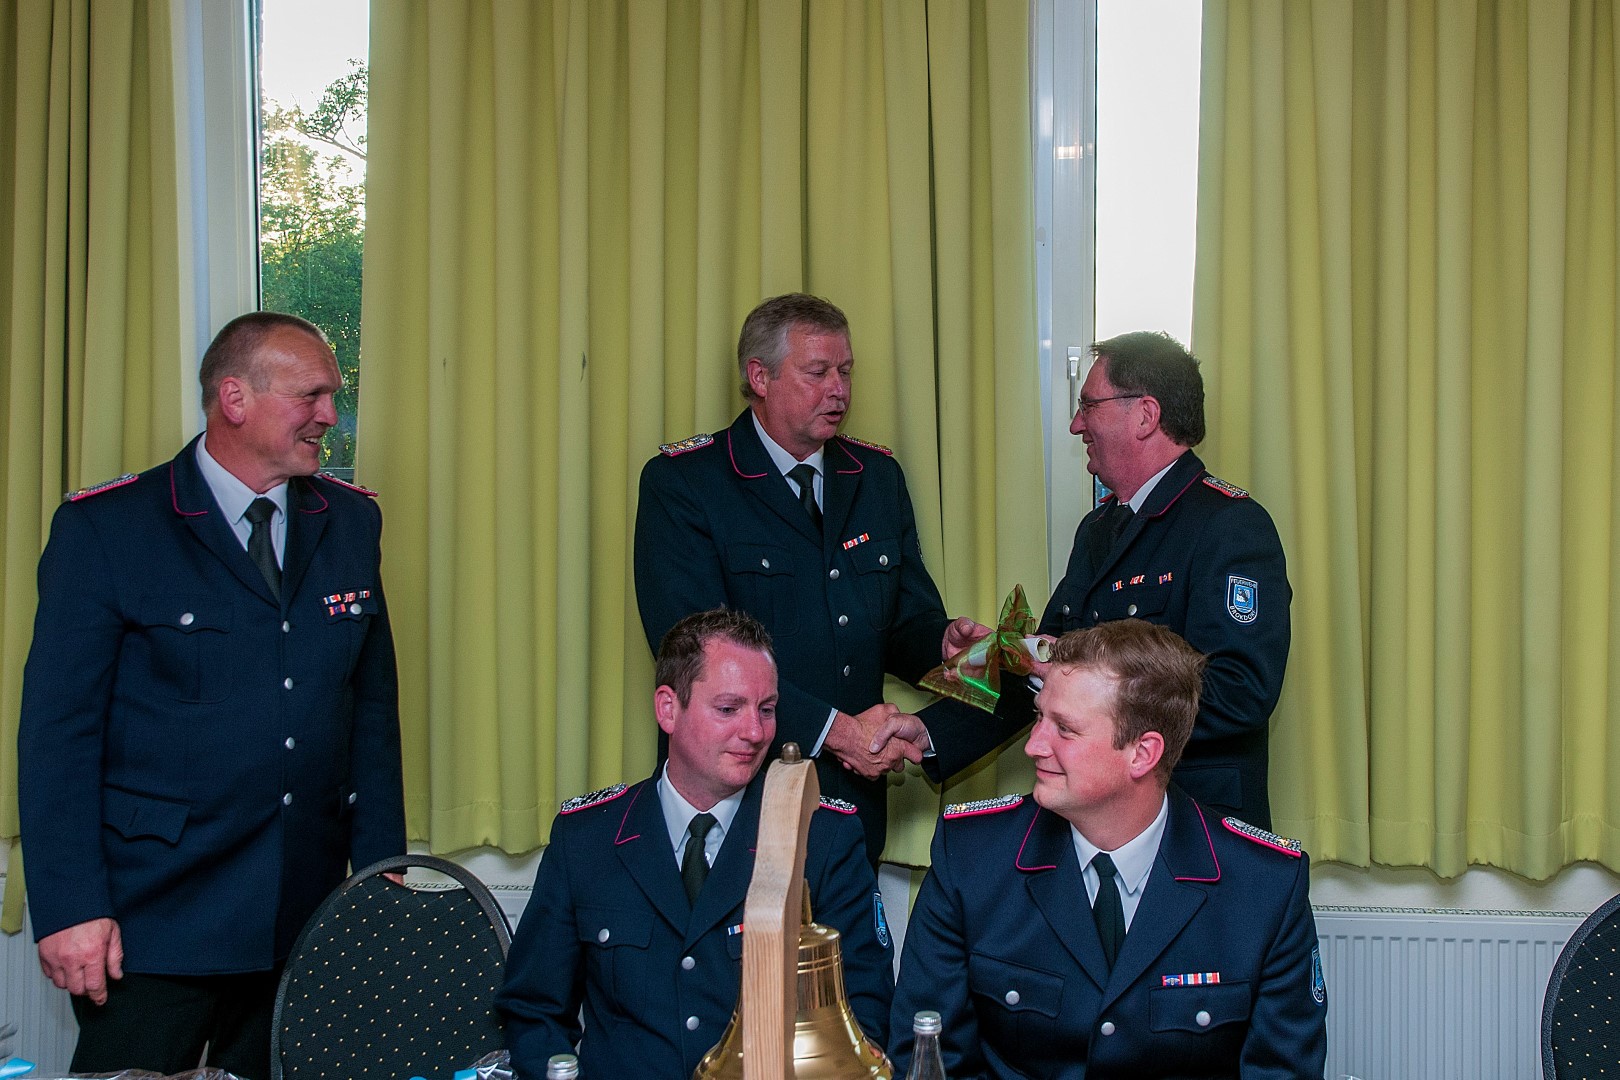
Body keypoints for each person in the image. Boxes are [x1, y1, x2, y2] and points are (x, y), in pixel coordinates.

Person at [17, 312, 405, 1079]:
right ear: (235, 398)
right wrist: (68, 907)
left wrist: (380, 872)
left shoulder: (351, 520)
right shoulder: (109, 528)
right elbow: (59, 733)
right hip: (154, 917)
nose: (329, 415)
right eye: (311, 395)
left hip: (303, 909)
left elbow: (371, 708)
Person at [890, 620, 1327, 1079]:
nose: (1034, 746)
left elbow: (1284, 1071)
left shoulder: (1265, 886)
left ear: (1142, 753)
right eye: (1041, 716)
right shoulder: (972, 856)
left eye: (1065, 729)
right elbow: (926, 1056)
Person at [633, 293, 982, 862]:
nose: (838, 389)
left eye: (845, 371)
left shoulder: (875, 477)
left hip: (851, 801)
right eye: (817, 372)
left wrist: (943, 646)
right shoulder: (687, 485)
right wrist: (841, 732)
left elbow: (899, 621)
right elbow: (693, 656)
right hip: (736, 794)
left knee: (844, 951)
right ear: (759, 377)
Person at [497, 608, 893, 1078]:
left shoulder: (821, 837)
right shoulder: (586, 839)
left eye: (767, 709)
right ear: (668, 708)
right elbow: (533, 1010)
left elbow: (865, 1019)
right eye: (729, 709)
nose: (755, 732)